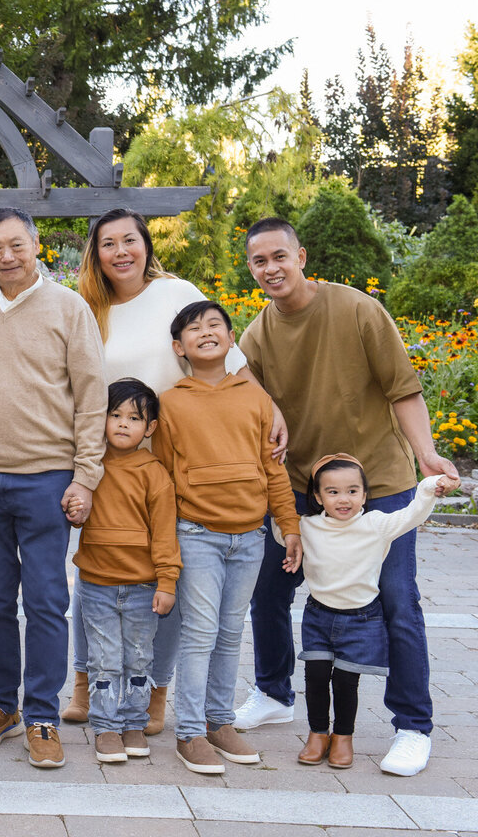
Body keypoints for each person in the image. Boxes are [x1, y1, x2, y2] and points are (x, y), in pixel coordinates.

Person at [235, 217, 459, 777]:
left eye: (279, 256)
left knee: (396, 600)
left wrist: (427, 455)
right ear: (251, 269)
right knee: (269, 590)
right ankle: (273, 693)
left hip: (377, 483)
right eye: (259, 261)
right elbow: (247, 404)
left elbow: (403, 389)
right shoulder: (256, 336)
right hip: (303, 487)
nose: (271, 268)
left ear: (301, 256)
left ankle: (412, 726)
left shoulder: (359, 309)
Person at [64, 207, 283, 736]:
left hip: (174, 459)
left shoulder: (174, 293)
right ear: (96, 253)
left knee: (165, 577)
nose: (121, 252)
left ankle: (154, 691)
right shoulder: (85, 307)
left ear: (146, 245)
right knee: (94, 574)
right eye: (108, 243)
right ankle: (85, 685)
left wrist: (271, 409)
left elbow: (229, 360)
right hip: (109, 462)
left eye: (130, 240)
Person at [0, 207, 106, 770]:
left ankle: (41, 714)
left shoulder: (69, 307)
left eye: (17, 245)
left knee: (45, 601)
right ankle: (0, 705)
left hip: (47, 477)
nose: (7, 256)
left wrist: (86, 476)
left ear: (37, 246)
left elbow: (92, 397)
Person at [151, 299, 303, 775]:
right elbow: (163, 475)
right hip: (196, 533)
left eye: (215, 324)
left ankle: (219, 721)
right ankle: (189, 731)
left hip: (250, 537)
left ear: (231, 338)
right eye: (193, 328)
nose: (206, 332)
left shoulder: (255, 399)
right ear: (179, 347)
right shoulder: (171, 402)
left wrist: (289, 525)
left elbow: (273, 469)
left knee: (231, 631)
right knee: (200, 632)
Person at [292, 455, 458, 771]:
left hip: (360, 619)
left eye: (353, 491)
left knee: (345, 682)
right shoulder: (307, 526)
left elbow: (412, 515)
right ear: (318, 497)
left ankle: (343, 737)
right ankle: (317, 734)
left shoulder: (375, 525)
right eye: (333, 492)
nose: (344, 499)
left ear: (365, 495)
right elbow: (279, 526)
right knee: (315, 676)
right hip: (318, 616)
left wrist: (428, 487)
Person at [75, 378, 180, 764]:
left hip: (142, 586)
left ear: (149, 428)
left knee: (138, 658)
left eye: (134, 418)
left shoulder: (154, 473)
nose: (123, 423)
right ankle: (105, 727)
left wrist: (167, 581)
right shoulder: (89, 467)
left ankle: (134, 723)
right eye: (115, 415)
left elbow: (165, 533)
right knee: (103, 658)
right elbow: (74, 512)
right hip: (97, 584)